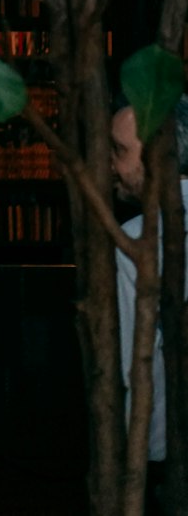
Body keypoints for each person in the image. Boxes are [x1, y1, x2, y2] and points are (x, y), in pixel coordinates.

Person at [111, 94, 188, 511]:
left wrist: (142, 456)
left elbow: (134, 363)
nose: (112, 165)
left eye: (121, 150)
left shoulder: (134, 242)